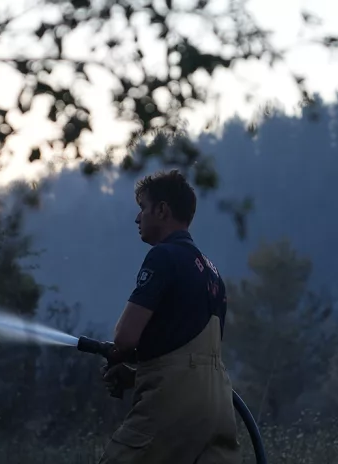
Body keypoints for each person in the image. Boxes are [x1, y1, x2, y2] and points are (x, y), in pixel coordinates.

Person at [98, 170, 241, 464]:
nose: (137, 218)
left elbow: (124, 338)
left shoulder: (163, 257)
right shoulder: (212, 271)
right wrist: (138, 376)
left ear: (162, 210)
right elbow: (187, 350)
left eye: (143, 208)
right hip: (219, 406)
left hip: (174, 405)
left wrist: (120, 354)